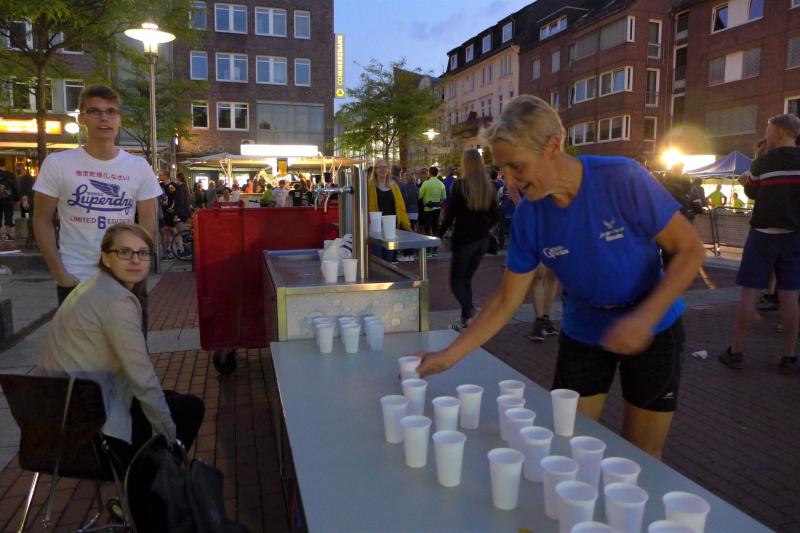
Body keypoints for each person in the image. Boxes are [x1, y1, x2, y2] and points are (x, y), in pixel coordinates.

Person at [415, 95, 705, 459]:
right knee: (566, 444)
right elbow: (506, 300)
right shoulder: (529, 217)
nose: (509, 180)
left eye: (516, 166)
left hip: (655, 326)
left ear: (553, 146)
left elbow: (690, 250)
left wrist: (645, 318)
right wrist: (449, 356)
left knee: (642, 455)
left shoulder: (622, 177)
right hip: (584, 328)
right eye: (502, 169)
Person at [35, 223, 204, 470]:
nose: (135, 260)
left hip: (55, 420)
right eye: (124, 252)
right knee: (190, 408)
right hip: (90, 433)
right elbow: (142, 378)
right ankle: (154, 485)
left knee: (172, 400)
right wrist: (170, 438)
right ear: (106, 258)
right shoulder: (116, 300)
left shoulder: (91, 286)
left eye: (143, 253)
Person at [33, 85, 161, 304]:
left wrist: (138, 267)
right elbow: (41, 220)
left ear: (119, 120)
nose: (104, 118)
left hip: (125, 279)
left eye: (111, 112)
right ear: (81, 118)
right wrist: (60, 274)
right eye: (94, 111)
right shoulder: (58, 164)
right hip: (76, 278)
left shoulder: (138, 167)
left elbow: (148, 223)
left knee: (129, 329)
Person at [719, 114, 800, 374]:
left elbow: (751, 191)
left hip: (763, 235)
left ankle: (736, 351)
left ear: (779, 133)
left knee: (749, 292)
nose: (765, 134)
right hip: (794, 236)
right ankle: (789, 357)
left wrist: (747, 181)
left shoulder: (762, 163)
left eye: (768, 129)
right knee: (790, 296)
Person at [438, 149, 500, 330]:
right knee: (466, 280)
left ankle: (472, 311)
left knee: (456, 283)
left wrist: (438, 234)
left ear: (465, 164)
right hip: (482, 240)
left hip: (464, 239)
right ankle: (465, 320)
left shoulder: (460, 186)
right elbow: (496, 215)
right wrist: (485, 226)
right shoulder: (488, 186)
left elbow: (450, 214)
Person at [367, 159, 411, 263]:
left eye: (385, 167)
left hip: (391, 227)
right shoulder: (369, 186)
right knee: (378, 256)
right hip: (376, 228)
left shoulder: (394, 186)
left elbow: (401, 207)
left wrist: (406, 225)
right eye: (380, 167)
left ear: (388, 169)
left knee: (389, 257)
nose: (383, 169)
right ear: (375, 170)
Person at [418, 165, 447, 257]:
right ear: (437, 173)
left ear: (429, 173)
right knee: (435, 229)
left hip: (427, 209)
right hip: (437, 209)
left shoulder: (426, 183)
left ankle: (428, 250)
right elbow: (444, 197)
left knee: (427, 230)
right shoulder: (441, 184)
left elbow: (420, 195)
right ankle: (435, 249)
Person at [399, 170, 420, 261]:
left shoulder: (405, 188)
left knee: (406, 234)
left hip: (407, 212)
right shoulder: (417, 188)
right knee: (412, 233)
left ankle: (406, 255)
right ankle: (411, 255)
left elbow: (404, 201)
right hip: (415, 212)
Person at [0, 166, 19, 241]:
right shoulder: (11, 175)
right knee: (8, 217)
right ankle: (7, 235)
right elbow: (15, 187)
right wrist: (17, 199)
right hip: (9, 199)